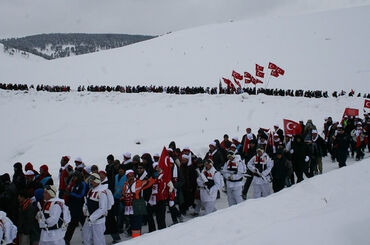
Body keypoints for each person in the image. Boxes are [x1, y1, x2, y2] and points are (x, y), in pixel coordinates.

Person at [82, 173, 109, 245]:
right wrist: (85, 209)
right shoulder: (90, 190)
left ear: (97, 181)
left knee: (98, 240)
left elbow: (102, 208)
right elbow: (86, 202)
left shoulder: (102, 192)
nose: (90, 182)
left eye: (92, 181)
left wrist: (92, 217)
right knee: (86, 237)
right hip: (88, 219)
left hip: (98, 221)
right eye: (90, 180)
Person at [64, 171, 87, 245]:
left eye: (75, 176)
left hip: (80, 207)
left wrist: (70, 194)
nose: (73, 178)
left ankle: (89, 238)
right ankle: (66, 239)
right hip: (73, 207)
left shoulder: (82, 183)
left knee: (82, 224)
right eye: (73, 177)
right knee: (73, 223)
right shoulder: (74, 183)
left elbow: (81, 195)